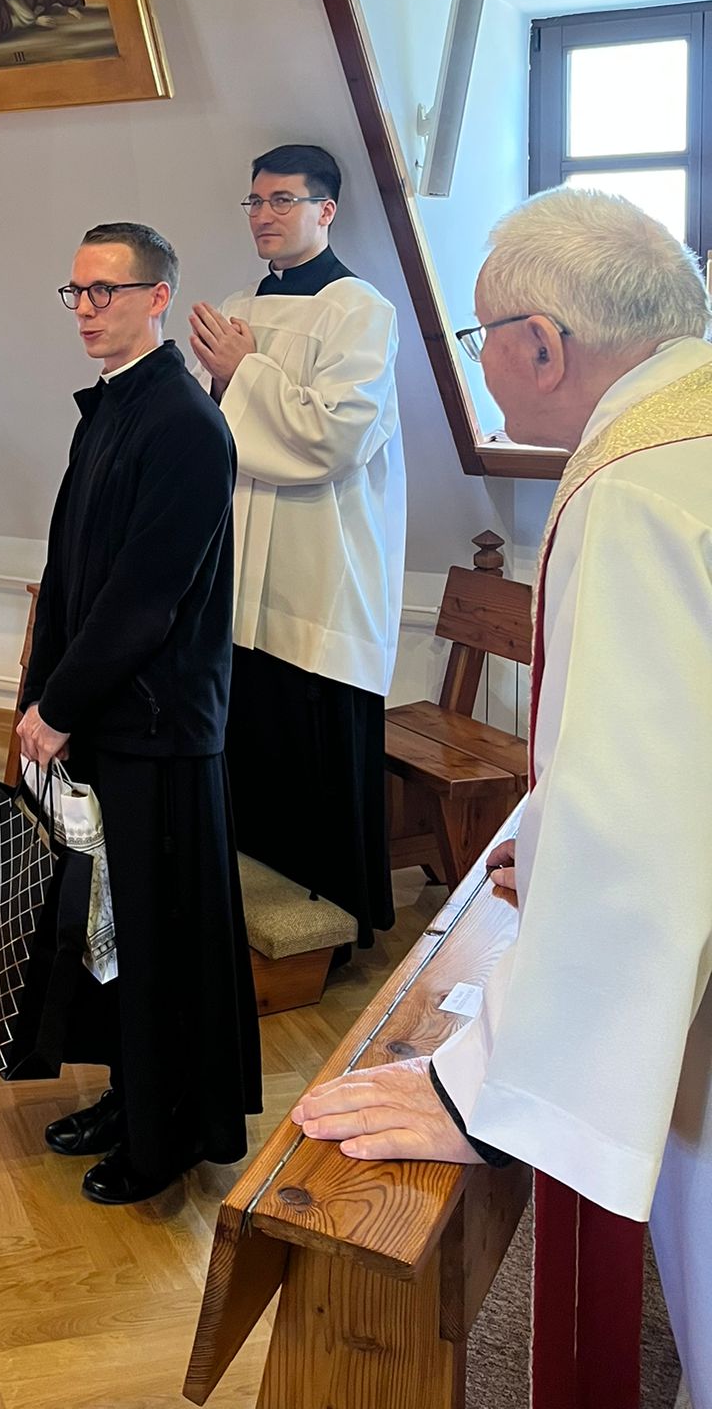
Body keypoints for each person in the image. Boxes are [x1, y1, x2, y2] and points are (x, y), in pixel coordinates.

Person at [291, 189, 712, 1409]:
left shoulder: (633, 486)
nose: (482, 366)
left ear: (541, 343)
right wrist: (557, 843)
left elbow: (638, 841)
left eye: (481, 339)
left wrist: (480, 1082)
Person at [18, 222, 261, 1205]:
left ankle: (165, 1139)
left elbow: (145, 597)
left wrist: (61, 703)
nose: (86, 309)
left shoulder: (187, 424)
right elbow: (73, 569)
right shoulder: (113, 405)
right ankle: (128, 1097)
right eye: (75, 291)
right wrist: (42, 692)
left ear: (159, 297)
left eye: (105, 291)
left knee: (159, 940)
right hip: (106, 716)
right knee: (109, 929)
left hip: (157, 726)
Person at [190, 143, 404, 947]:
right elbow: (215, 430)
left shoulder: (361, 310)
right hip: (243, 551)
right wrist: (219, 381)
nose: (265, 216)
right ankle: (247, 897)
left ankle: (334, 920)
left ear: (326, 210)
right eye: (255, 201)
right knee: (250, 727)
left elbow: (335, 437)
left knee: (311, 727)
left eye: (283, 200)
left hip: (322, 557)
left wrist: (243, 372)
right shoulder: (239, 304)